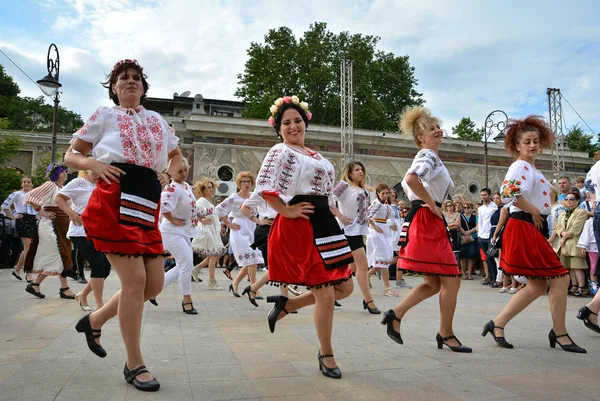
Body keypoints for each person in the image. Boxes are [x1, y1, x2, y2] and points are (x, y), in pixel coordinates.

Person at [65, 59, 182, 391]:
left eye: (136, 79)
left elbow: (176, 156)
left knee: (153, 286)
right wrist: (91, 164)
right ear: (113, 88)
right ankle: (134, 364)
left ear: (143, 88)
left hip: (146, 204)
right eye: (123, 79)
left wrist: (168, 172)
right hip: (114, 200)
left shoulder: (158, 120)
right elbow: (71, 155)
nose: (130, 82)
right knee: (134, 283)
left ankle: (94, 320)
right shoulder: (105, 116)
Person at [246, 95, 354, 379]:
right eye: (286, 123)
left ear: (305, 122)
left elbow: (325, 192)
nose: (293, 126)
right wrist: (286, 210)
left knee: (345, 289)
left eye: (297, 121)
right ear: (279, 128)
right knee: (327, 294)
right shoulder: (280, 151)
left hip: (324, 223)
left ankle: (289, 304)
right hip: (302, 226)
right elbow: (265, 185)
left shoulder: (315, 155)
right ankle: (326, 353)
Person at [482, 115, 585, 353]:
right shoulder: (520, 165)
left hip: (532, 226)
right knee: (560, 278)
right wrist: (535, 210)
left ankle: (497, 323)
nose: (532, 145)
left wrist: (540, 208)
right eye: (527, 141)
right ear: (517, 145)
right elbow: (508, 194)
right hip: (525, 225)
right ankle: (560, 333)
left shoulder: (531, 167)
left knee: (538, 286)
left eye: (536, 141)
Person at [382, 106, 471, 353]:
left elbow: (413, 182)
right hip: (426, 217)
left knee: (434, 283)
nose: (437, 131)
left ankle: (396, 314)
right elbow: (410, 180)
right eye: (431, 129)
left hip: (425, 218)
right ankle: (446, 333)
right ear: (420, 137)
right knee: (451, 279)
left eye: (438, 127)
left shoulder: (431, 156)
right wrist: (433, 205)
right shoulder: (428, 155)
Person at [55, 169, 111, 311]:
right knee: (98, 265)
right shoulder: (78, 182)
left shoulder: (103, 184)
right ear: (87, 170)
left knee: (106, 268)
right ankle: (99, 304)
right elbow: (59, 198)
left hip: (98, 231)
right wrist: (71, 213)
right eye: (94, 171)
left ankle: (83, 295)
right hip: (80, 231)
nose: (97, 174)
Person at [153, 157, 201, 313]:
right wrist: (173, 220)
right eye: (180, 171)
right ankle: (187, 300)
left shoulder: (186, 186)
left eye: (186, 170)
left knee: (183, 265)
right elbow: (164, 207)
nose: (184, 173)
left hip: (183, 231)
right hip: (172, 232)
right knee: (187, 264)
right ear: (172, 171)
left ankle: (153, 292)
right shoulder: (171, 188)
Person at [330, 162, 379, 312]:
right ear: (349, 173)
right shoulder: (344, 185)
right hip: (348, 231)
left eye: (362, 169)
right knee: (362, 266)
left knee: (350, 267)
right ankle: (368, 300)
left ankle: (330, 294)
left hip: (357, 231)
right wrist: (339, 215)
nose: (361, 172)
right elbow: (328, 199)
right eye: (357, 170)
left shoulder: (363, 189)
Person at [23, 163, 75, 300]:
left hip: (62, 225)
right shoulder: (50, 185)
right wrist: (41, 211)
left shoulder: (62, 188)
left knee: (61, 253)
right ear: (55, 173)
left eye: (66, 171)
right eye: (62, 171)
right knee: (59, 253)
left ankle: (37, 284)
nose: (65, 173)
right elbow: (29, 196)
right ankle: (63, 288)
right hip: (50, 224)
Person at [191, 177, 226, 289]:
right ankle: (211, 281)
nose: (211, 189)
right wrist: (202, 220)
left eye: (211, 187)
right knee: (215, 254)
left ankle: (197, 268)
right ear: (203, 189)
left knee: (215, 253)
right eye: (208, 187)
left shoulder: (208, 201)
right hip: (207, 230)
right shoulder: (201, 201)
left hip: (212, 229)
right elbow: (195, 211)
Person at [366, 184, 399, 297]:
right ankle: (387, 288)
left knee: (386, 258)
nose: (385, 195)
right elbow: (367, 215)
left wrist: (391, 226)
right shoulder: (376, 203)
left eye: (387, 193)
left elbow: (388, 218)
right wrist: (374, 226)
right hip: (377, 233)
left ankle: (368, 274)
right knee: (384, 259)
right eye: (383, 193)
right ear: (378, 194)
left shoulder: (387, 205)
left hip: (385, 232)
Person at [2, 176, 36, 281]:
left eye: (28, 182)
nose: (26, 183)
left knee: (27, 248)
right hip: (22, 220)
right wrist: (13, 216)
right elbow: (4, 205)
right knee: (28, 247)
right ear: (21, 184)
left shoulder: (34, 195)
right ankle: (28, 272)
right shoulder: (17, 194)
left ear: (32, 184)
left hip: (32, 220)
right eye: (24, 182)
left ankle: (17, 270)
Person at [556, 191, 588, 297]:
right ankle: (574, 286)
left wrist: (564, 237)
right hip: (565, 244)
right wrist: (561, 233)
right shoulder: (563, 213)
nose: (568, 201)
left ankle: (581, 288)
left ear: (578, 201)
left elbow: (576, 229)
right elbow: (558, 227)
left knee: (577, 266)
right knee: (569, 267)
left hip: (575, 242)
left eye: (571, 199)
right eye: (566, 199)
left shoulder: (581, 212)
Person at [477, 188, 498, 283]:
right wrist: (479, 234)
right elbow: (480, 221)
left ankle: (495, 277)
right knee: (487, 257)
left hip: (491, 234)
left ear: (490, 195)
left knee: (491, 256)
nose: (483, 197)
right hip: (482, 236)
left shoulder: (495, 206)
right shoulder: (480, 208)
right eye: (481, 195)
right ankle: (490, 277)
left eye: (485, 195)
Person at [459, 201, 479, 281]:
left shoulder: (475, 216)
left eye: (468, 207)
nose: (466, 209)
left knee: (471, 255)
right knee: (463, 256)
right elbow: (459, 226)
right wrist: (464, 233)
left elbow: (477, 226)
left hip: (473, 237)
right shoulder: (460, 216)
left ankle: (470, 273)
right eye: (465, 207)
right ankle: (463, 273)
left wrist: (469, 232)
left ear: (471, 208)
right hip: (463, 237)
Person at [443, 200, 462, 268]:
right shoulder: (444, 214)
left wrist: (448, 225)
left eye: (451, 205)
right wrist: (453, 223)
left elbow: (457, 225)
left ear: (453, 206)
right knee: (446, 251)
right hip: (445, 234)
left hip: (455, 234)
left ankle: (455, 268)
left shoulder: (457, 214)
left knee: (455, 252)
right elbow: (443, 225)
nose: (449, 207)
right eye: (448, 206)